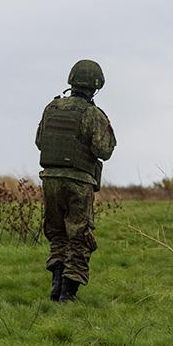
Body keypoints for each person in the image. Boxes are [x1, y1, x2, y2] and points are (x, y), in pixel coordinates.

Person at [35, 59, 117, 302]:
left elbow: (40, 141)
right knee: (79, 235)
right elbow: (105, 150)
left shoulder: (51, 108)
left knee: (57, 233)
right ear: (96, 85)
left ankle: (56, 285)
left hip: (49, 178)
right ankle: (67, 294)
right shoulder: (92, 114)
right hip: (78, 181)